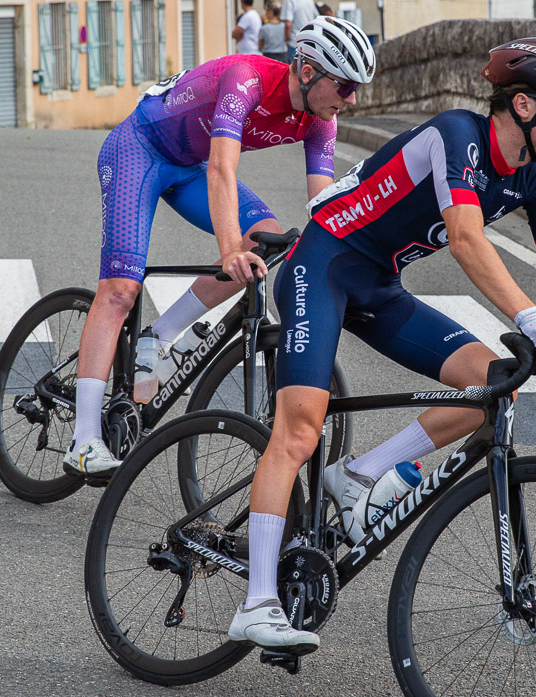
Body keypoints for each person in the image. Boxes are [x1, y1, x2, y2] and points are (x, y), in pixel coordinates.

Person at [227, 37, 536, 653]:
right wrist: (528, 314)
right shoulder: (458, 136)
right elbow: (464, 238)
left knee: (495, 384)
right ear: (527, 105)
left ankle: (360, 473)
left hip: (379, 286)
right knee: (299, 432)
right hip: (322, 267)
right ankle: (258, 604)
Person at [62, 17, 376, 476]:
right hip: (141, 149)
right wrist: (229, 249)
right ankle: (84, 439)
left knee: (265, 237)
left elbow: (323, 208)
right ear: (308, 73)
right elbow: (221, 169)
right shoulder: (246, 78)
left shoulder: (320, 122)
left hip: (188, 163)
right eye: (346, 86)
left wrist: (348, 267)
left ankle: (159, 337)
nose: (352, 99)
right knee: (120, 291)